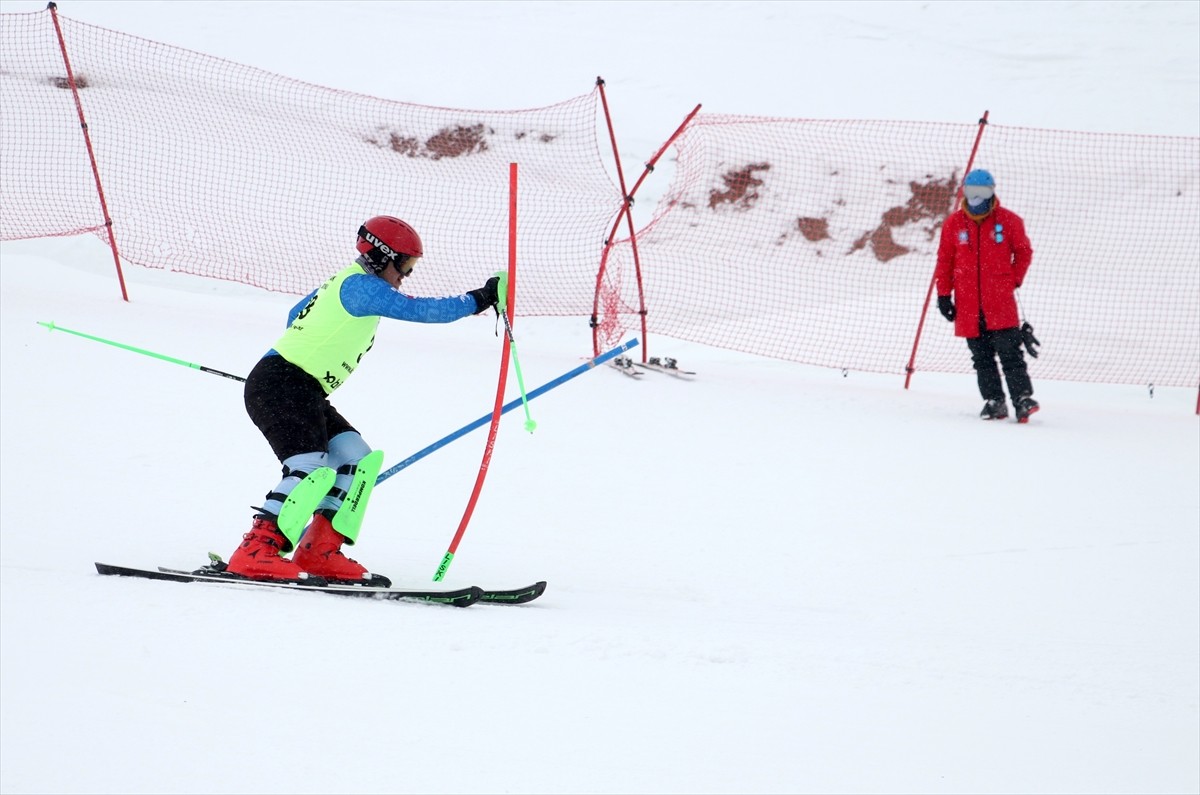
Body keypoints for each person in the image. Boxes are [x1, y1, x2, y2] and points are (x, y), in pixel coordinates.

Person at [225, 215, 500, 583]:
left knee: (357, 460)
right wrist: (481, 298)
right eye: (405, 264)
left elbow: (296, 315)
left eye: (411, 266)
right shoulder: (362, 287)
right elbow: (422, 310)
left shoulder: (348, 284)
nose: (406, 275)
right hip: (284, 383)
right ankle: (256, 550)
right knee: (309, 465)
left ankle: (319, 550)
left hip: (300, 386)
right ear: (381, 256)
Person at [935, 169, 1040, 423]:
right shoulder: (954, 224)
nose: (977, 198)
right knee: (981, 357)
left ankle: (1022, 399)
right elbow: (945, 260)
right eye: (972, 192)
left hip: (1000, 302)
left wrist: (1013, 279)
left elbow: (1023, 252)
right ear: (964, 192)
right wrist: (943, 295)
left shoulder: (1009, 221)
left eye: (983, 192)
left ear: (992, 192)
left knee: (1010, 354)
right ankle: (994, 401)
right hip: (968, 304)